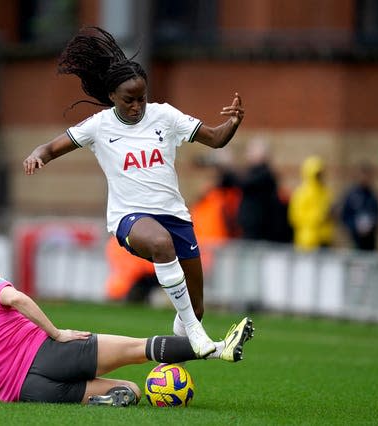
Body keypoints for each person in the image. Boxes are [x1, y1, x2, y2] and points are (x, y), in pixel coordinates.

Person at [22, 27, 245, 358]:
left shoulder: (164, 116)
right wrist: (36, 155)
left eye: (142, 97)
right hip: (129, 218)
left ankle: (187, 346)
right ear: (112, 95)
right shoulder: (98, 126)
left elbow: (215, 138)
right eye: (129, 99)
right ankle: (200, 337)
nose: (137, 105)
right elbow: (51, 147)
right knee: (160, 243)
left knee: (194, 307)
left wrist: (234, 122)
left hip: (176, 217)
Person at [0, 239, 255, 406]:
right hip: (50, 355)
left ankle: (106, 400)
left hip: (25, 392)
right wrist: (56, 333)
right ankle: (218, 348)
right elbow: (16, 297)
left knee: (131, 391)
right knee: (138, 349)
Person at [237, 137, 291, 243]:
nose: (248, 155)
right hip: (252, 230)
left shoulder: (265, 175)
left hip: (261, 232)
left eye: (251, 151)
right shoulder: (255, 173)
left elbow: (245, 184)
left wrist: (226, 167)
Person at [288, 155, 335, 251]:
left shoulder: (325, 191)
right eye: (317, 174)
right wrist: (319, 216)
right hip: (308, 241)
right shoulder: (302, 193)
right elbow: (295, 217)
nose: (319, 176)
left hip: (325, 238)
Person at [338, 162, 378, 251]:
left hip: (370, 240)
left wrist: (371, 226)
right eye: (363, 175)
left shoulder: (372, 196)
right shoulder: (351, 195)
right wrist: (354, 227)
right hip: (355, 239)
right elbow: (344, 215)